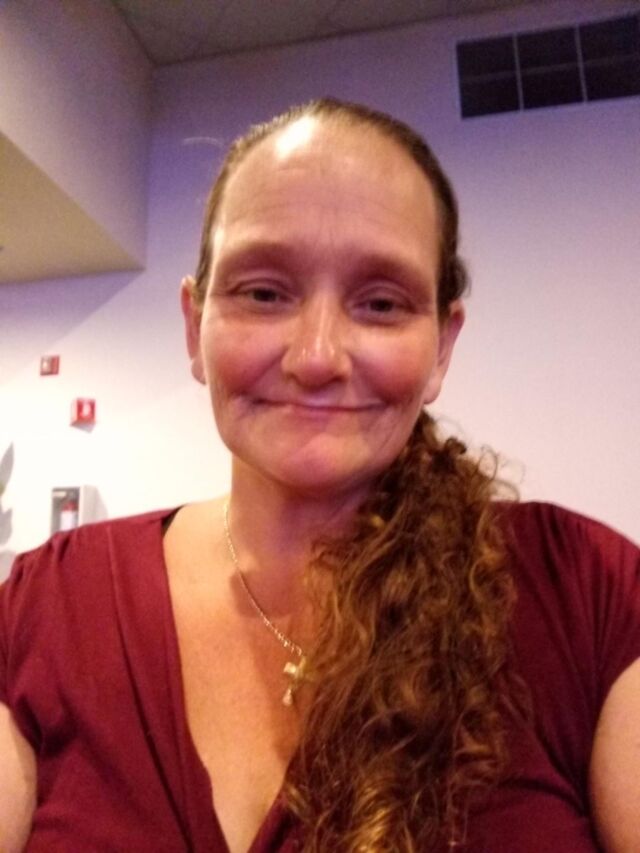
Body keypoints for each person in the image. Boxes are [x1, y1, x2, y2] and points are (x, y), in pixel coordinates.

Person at [1, 98, 639, 853]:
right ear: (194, 326)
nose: (316, 357)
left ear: (442, 347)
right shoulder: (47, 609)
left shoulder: (583, 596)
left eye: (381, 303)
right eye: (264, 293)